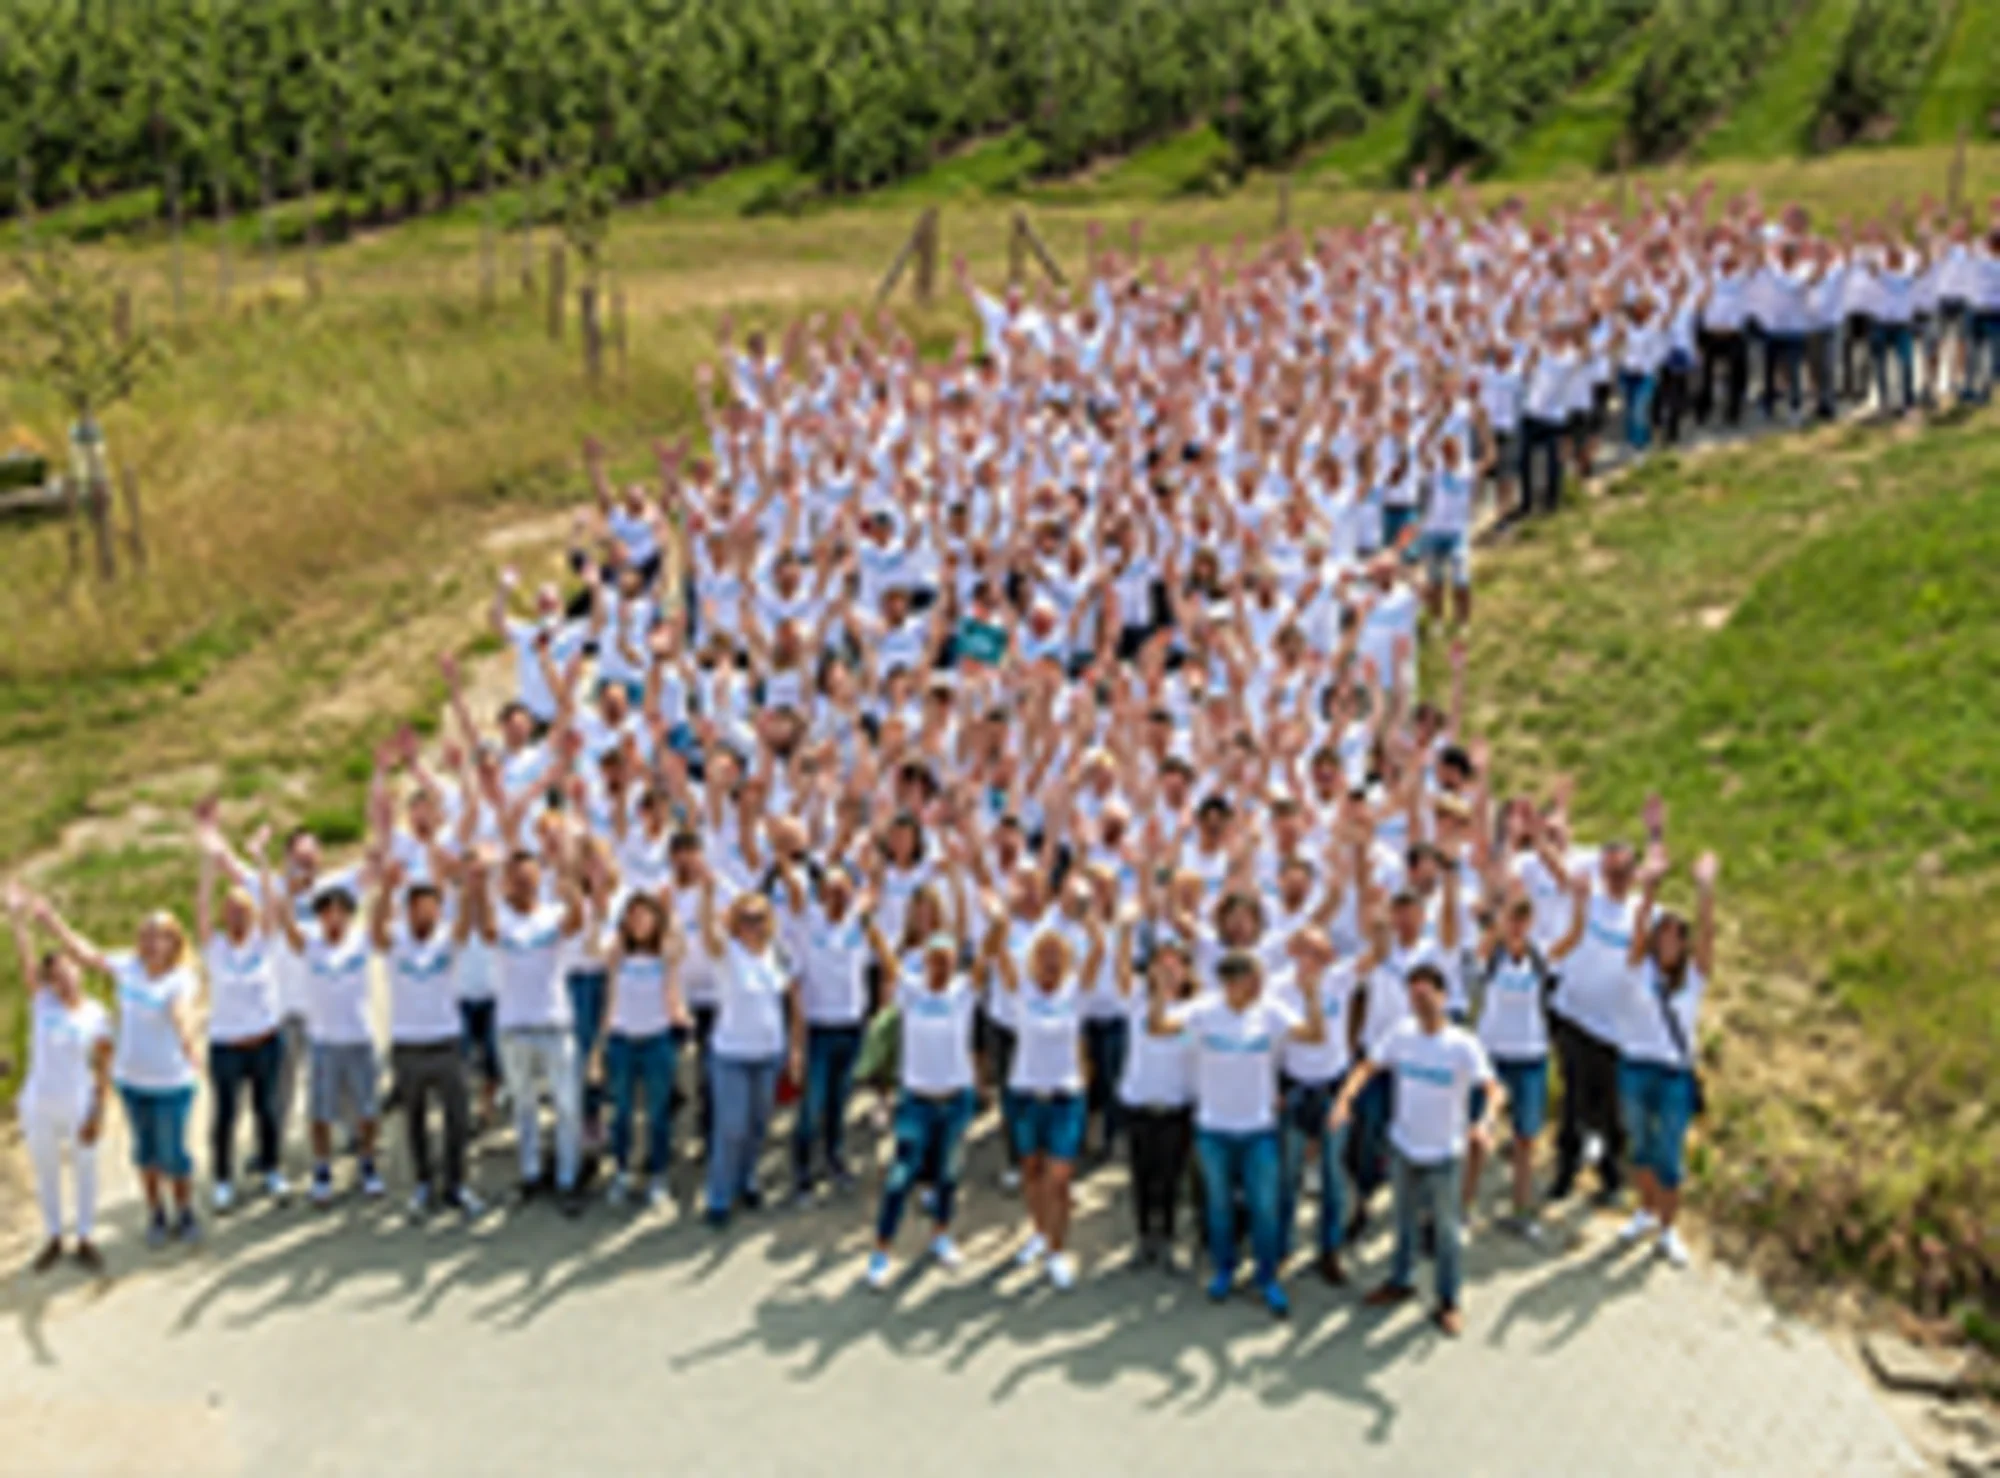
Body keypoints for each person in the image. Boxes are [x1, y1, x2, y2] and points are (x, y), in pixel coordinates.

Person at [1146, 942, 1329, 1319]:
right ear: (1231, 982)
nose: (1261, 983)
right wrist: (1160, 994)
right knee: (1219, 1206)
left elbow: (1314, 1035)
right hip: (1213, 1129)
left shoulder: (1271, 1011)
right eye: (1253, 978)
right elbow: (1158, 1027)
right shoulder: (1204, 1011)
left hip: (1258, 1128)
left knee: (1264, 1207)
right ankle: (1224, 1270)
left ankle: (1267, 1278)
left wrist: (1312, 997)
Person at [1332, 962, 1503, 1337]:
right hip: (1404, 1145)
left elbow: (1493, 1088)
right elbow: (1368, 1067)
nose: (1421, 1003)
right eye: (1414, 997)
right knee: (1402, 1220)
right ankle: (1400, 1280)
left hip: (1444, 1152)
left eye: (1428, 995)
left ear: (1443, 997)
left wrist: (1487, 1120)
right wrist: (1345, 1099)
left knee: (1446, 1230)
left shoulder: (1462, 1044)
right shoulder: (1401, 1035)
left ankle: (1448, 1300)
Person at [27, 888, 202, 1246]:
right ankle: (156, 1213)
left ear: (174, 942)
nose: (152, 942)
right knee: (145, 1152)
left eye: (161, 936)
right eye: (147, 935)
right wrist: (50, 920)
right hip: (132, 1081)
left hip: (172, 1080)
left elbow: (180, 1009)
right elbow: (84, 954)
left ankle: (184, 1211)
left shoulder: (181, 977)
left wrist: (186, 1037)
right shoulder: (128, 966)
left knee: (173, 1152)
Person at [985, 914, 1105, 1291]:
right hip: (1024, 1092)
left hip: (1065, 1094)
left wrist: (1089, 915)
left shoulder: (1076, 991)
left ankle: (1056, 1249)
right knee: (1031, 1169)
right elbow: (995, 951)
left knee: (1060, 1176)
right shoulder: (1021, 989)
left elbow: (1099, 950)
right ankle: (1038, 1232)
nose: (1051, 960)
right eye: (1044, 953)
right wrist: (1000, 917)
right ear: (1033, 959)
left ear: (1067, 958)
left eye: (1057, 953)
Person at [1615, 851, 1718, 1268]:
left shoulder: (1694, 978)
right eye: (1664, 935)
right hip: (1635, 1066)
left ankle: (1668, 1229)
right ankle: (1643, 1210)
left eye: (1678, 936)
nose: (1670, 942)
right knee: (1640, 1143)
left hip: (1675, 1073)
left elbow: (1709, 934)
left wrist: (1705, 888)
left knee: (1669, 1151)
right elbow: (1638, 921)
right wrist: (1650, 885)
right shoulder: (1640, 968)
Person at [863, 927, 979, 1289]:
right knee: (899, 1178)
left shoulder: (964, 993)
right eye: (935, 960)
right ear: (926, 963)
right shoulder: (910, 991)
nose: (942, 967)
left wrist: (997, 917)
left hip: (956, 1098)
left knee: (948, 1175)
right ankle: (882, 1250)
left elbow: (989, 953)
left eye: (948, 960)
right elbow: (886, 954)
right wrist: (868, 918)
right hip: (915, 1100)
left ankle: (940, 1235)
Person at [371, 847, 484, 1220]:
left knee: (456, 1118)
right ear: (407, 912)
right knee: (414, 1120)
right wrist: (386, 889)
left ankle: (456, 1185)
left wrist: (468, 884)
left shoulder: (447, 941)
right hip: (407, 1044)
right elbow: (375, 931)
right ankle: (423, 1183)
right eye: (416, 907)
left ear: (439, 910)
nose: (423, 913)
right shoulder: (397, 942)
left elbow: (466, 924)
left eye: (430, 906)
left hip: (447, 1041)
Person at [478, 842, 591, 1214]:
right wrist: (483, 882)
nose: (525, 884)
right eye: (517, 878)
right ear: (507, 883)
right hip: (513, 1026)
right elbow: (488, 931)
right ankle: (530, 1173)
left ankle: (567, 1178)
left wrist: (570, 880)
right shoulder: (500, 918)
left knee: (567, 1105)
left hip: (554, 1023)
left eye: (530, 877)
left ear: (539, 879)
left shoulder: (554, 914)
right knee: (524, 1106)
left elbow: (576, 921)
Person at [6, 881, 113, 1273]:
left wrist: (99, 1111)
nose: (63, 979)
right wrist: (18, 920)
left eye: (68, 971)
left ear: (77, 973)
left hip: (79, 1100)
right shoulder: (42, 1005)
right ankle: (54, 1235)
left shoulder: (96, 1013)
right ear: (49, 982)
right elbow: (26, 962)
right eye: (55, 976)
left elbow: (104, 1064)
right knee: (46, 1169)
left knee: (86, 1168)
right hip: (38, 1103)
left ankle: (85, 1236)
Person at [193, 811, 290, 1211]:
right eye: (230, 910)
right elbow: (199, 903)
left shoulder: (262, 942)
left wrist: (260, 858)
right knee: (225, 1117)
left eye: (243, 910)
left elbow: (271, 900)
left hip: (267, 1041)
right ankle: (222, 1180)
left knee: (267, 1111)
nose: (237, 915)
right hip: (227, 1047)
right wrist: (210, 861)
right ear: (222, 916)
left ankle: (271, 1171)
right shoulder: (214, 947)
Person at [697, 882, 796, 1228]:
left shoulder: (777, 953)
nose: (753, 925)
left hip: (769, 1052)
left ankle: (748, 1180)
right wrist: (708, 894)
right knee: (731, 1127)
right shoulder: (728, 952)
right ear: (735, 922)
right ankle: (719, 1195)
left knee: (757, 1124)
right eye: (746, 918)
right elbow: (708, 934)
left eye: (759, 918)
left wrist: (793, 1050)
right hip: (731, 1054)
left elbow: (788, 998)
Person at [777, 859, 874, 1200]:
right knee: (811, 1104)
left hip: (852, 1026)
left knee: (839, 1101)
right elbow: (793, 889)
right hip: (818, 1028)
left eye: (844, 889)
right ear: (819, 894)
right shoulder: (807, 922)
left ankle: (834, 1159)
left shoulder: (860, 925)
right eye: (831, 889)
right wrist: (798, 1041)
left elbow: (874, 889)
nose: (838, 895)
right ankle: (802, 1171)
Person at [598, 891, 692, 1210]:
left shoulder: (666, 954)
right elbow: (594, 948)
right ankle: (623, 1173)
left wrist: (670, 907)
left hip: (658, 1040)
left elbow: (681, 942)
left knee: (658, 1114)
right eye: (633, 915)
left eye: (646, 915)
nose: (639, 921)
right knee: (621, 1112)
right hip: (622, 1039)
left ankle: (658, 1176)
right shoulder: (617, 954)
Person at [1115, 927, 1195, 1270]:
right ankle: (1144, 1238)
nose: (1167, 971)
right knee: (1141, 1175)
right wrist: (1125, 931)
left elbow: (1163, 1025)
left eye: (1175, 965)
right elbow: (1119, 967)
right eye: (1161, 965)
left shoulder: (1194, 1009)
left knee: (1172, 1177)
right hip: (1139, 1101)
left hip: (1176, 1104)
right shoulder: (1134, 999)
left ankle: (1169, 1239)